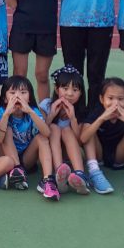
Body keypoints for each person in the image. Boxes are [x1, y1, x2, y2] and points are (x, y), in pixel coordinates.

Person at [79, 78, 124, 199]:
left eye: (120, 99)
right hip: (99, 156)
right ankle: (94, 171)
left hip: (119, 158)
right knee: (90, 131)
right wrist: (101, 119)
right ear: (102, 99)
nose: (115, 103)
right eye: (110, 98)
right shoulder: (97, 113)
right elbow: (83, 139)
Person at [0, 75, 55, 200]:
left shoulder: (33, 111)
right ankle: (17, 170)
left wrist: (30, 111)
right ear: (5, 98)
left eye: (23, 92)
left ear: (29, 97)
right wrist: (7, 114)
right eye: (12, 93)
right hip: (6, 158)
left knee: (42, 138)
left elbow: (47, 133)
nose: (18, 96)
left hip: (27, 158)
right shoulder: (1, 111)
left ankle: (48, 180)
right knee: (7, 130)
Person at [38, 65, 91, 196]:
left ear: (81, 92)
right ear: (57, 89)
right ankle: (59, 172)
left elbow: (80, 141)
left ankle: (80, 173)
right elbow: (41, 133)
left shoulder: (81, 111)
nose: (70, 94)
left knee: (67, 130)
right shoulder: (46, 105)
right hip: (51, 153)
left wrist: (73, 118)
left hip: (72, 154)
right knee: (54, 128)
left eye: (75, 89)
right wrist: (51, 115)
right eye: (65, 88)